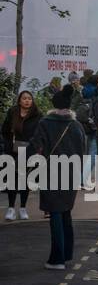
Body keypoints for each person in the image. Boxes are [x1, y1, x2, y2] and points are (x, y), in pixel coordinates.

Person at [29, 86, 88, 269]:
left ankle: (57, 259)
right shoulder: (76, 125)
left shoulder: (46, 123)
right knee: (65, 212)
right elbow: (82, 150)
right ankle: (66, 253)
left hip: (51, 171)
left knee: (55, 213)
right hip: (71, 173)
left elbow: (35, 146)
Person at [3, 90, 40, 219]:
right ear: (19, 100)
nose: (27, 101)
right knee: (12, 179)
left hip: (29, 151)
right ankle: (11, 208)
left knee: (25, 180)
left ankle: (23, 207)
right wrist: (8, 145)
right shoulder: (12, 112)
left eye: (29, 98)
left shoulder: (37, 115)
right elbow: (5, 131)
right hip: (13, 150)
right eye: (24, 98)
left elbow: (39, 134)